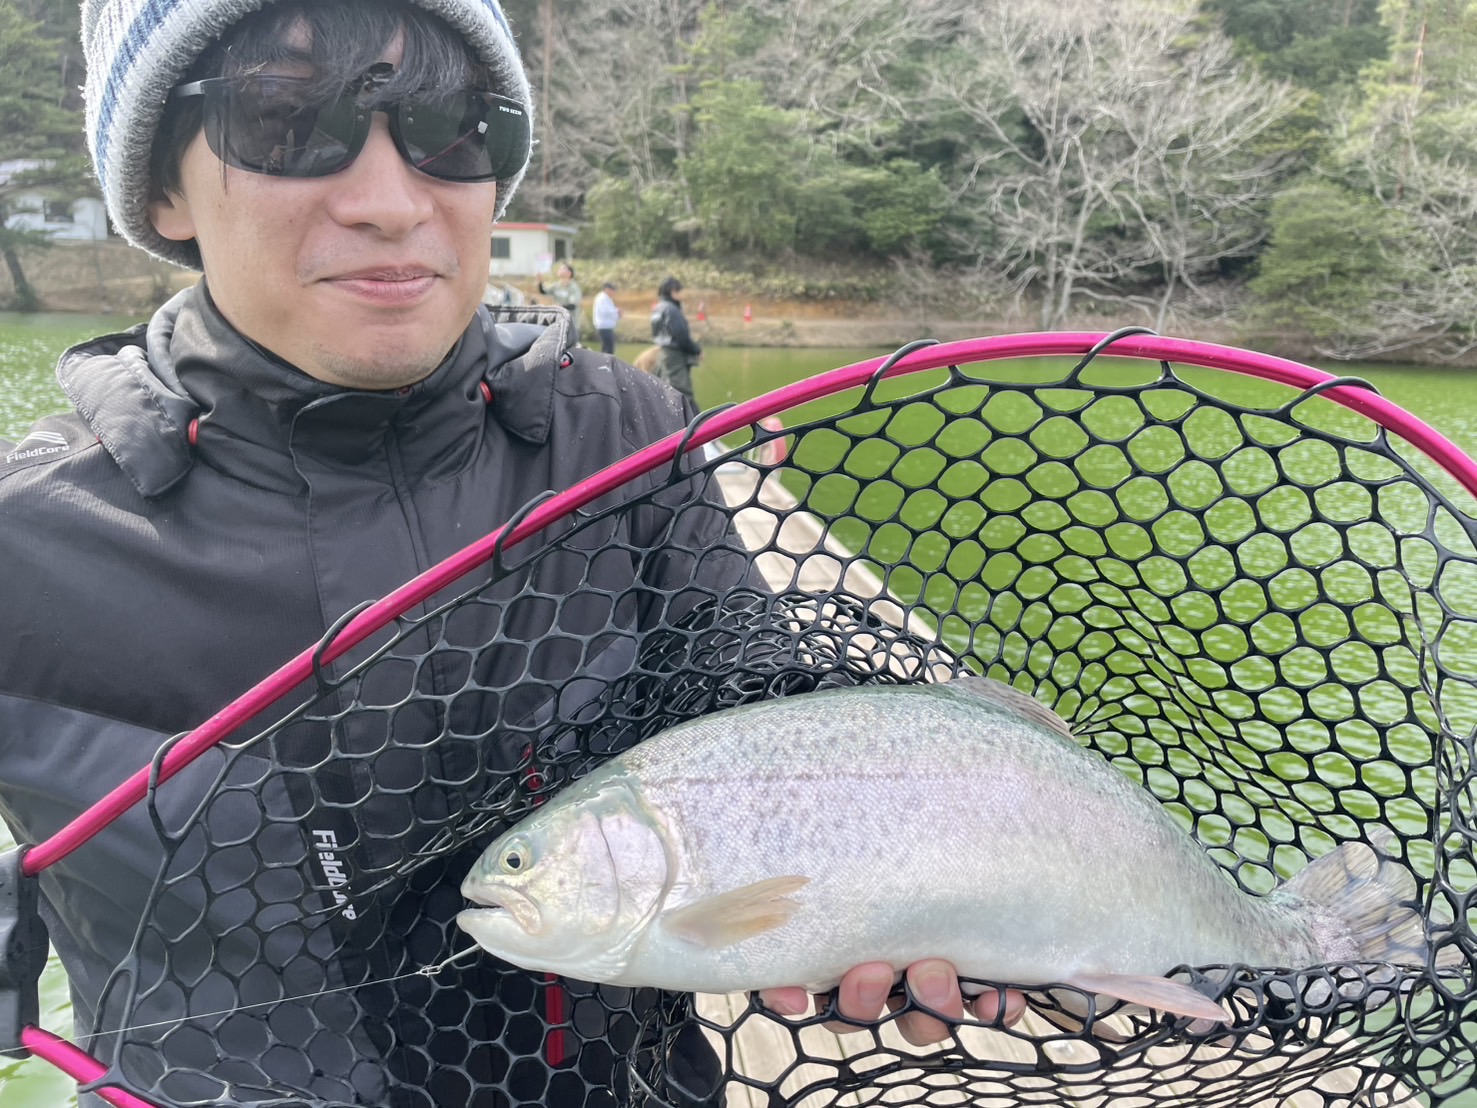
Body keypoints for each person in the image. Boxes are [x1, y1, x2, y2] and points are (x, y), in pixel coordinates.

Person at [0, 1, 1021, 1104]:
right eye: (284, 122)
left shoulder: (622, 435)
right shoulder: (29, 544)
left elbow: (755, 704)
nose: (393, 202)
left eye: (449, 126)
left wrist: (896, 886)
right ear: (160, 187)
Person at [650, 274, 703, 404]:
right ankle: (693, 418)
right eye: (679, 291)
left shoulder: (658, 308)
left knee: (664, 393)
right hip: (675, 358)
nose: (681, 295)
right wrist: (696, 349)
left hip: (663, 355)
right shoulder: (671, 309)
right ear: (673, 291)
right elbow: (681, 337)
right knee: (683, 397)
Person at [537, 260, 582, 341]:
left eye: (563, 269)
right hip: (559, 323)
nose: (560, 270)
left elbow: (573, 305)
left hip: (571, 324)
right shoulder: (556, 285)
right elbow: (543, 292)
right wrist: (540, 281)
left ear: (569, 273)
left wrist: (561, 306)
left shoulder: (573, 287)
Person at [592, 280, 621, 354]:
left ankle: (602, 361)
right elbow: (606, 311)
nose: (614, 292)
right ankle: (605, 361)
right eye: (612, 290)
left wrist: (617, 314)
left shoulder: (607, 298)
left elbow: (611, 312)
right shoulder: (602, 298)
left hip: (607, 327)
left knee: (606, 349)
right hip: (604, 326)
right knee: (609, 350)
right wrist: (617, 311)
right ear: (607, 289)